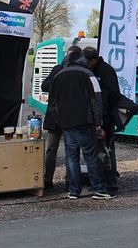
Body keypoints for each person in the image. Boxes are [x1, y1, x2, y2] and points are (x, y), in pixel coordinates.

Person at [48, 51, 113, 200]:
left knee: (71, 157)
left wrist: (59, 120)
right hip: (84, 121)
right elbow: (97, 99)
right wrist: (98, 122)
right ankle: (99, 189)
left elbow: (52, 102)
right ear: (82, 60)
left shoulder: (58, 76)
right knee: (90, 156)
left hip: (66, 123)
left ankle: (74, 190)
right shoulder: (88, 74)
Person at [41, 45, 82, 189]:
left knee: (56, 149)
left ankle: (63, 180)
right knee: (66, 150)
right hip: (65, 116)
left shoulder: (59, 69)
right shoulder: (67, 70)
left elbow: (44, 86)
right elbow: (44, 86)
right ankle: (56, 180)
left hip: (57, 115)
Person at [83, 46, 122, 195]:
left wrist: (102, 109)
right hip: (99, 115)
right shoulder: (96, 70)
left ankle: (110, 182)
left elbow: (114, 94)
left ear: (93, 60)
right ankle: (103, 180)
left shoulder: (105, 71)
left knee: (106, 150)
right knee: (100, 150)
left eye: (88, 62)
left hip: (105, 117)